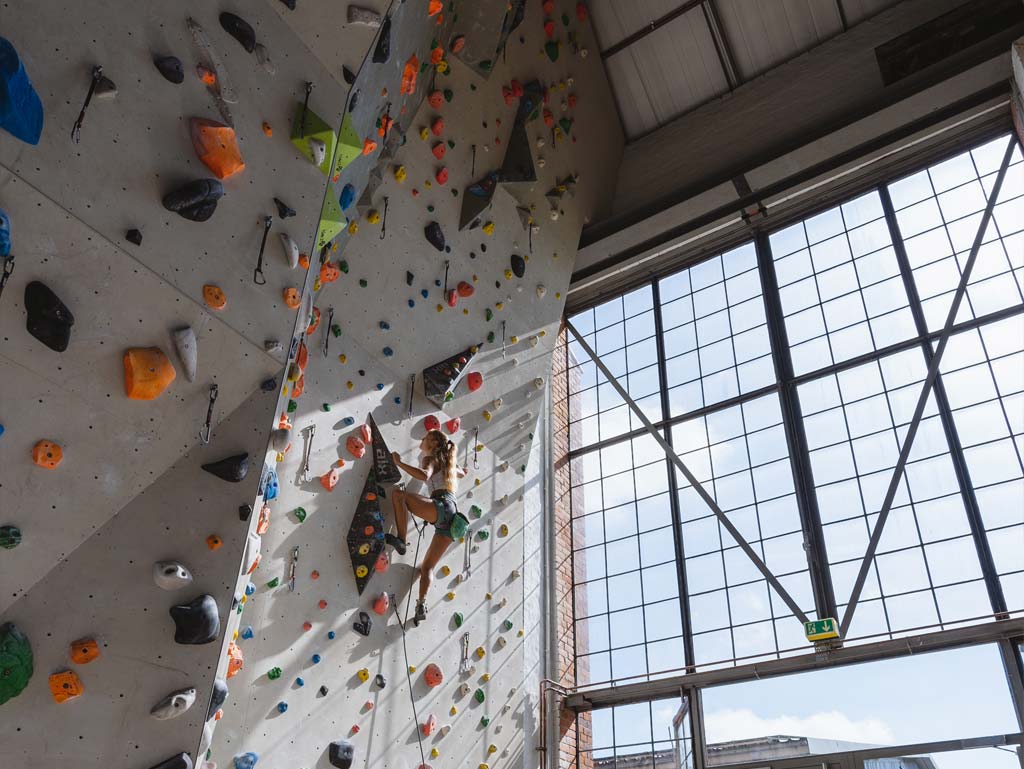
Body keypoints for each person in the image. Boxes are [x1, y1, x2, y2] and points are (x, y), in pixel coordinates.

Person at [389, 430, 469, 624]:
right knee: (427, 568)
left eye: (424, 438)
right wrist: (462, 471)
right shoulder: (450, 464)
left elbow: (424, 476)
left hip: (441, 506)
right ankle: (421, 605)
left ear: (433, 442)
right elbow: (461, 472)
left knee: (399, 496)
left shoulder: (430, 459)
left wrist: (399, 463)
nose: (421, 441)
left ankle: (401, 539)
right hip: (453, 521)